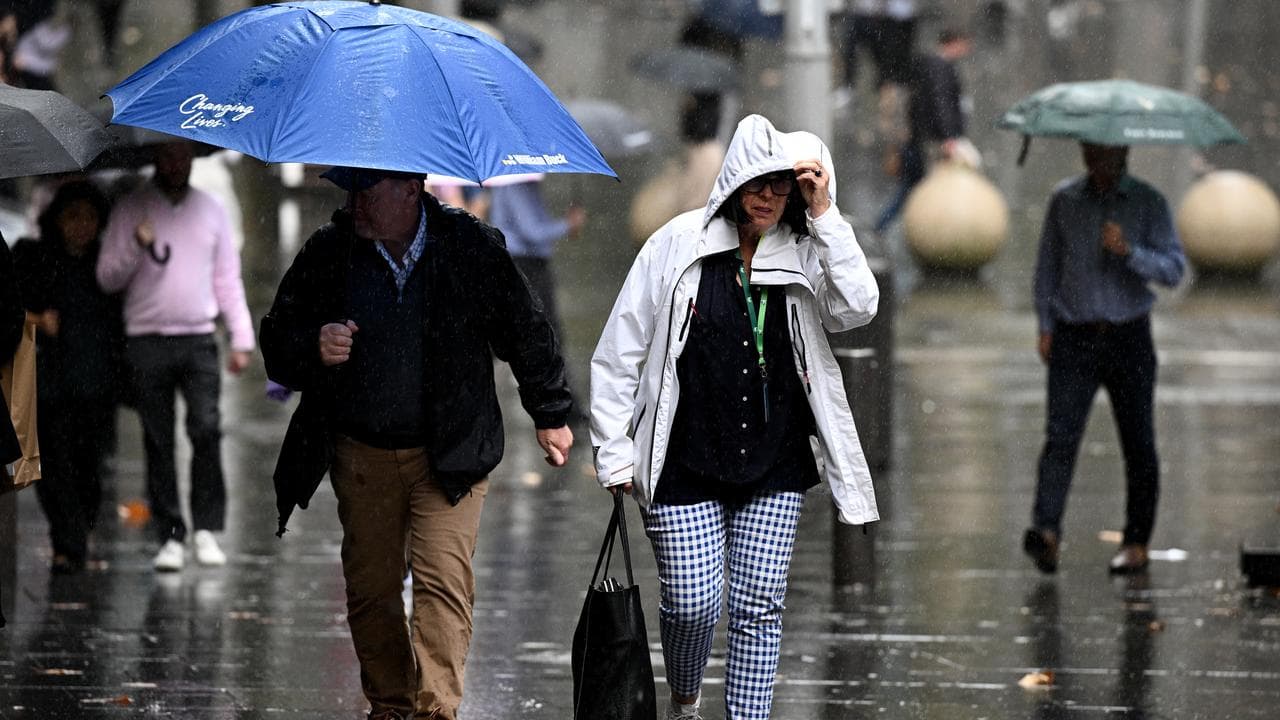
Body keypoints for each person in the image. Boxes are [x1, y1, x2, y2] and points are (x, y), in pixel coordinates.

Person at [590, 114, 880, 720]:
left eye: (783, 186)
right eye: (759, 184)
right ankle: (686, 699)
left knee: (759, 606)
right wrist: (613, 447)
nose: (770, 197)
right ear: (732, 185)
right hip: (683, 456)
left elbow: (857, 308)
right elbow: (622, 348)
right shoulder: (678, 244)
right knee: (692, 603)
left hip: (774, 460)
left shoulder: (803, 249)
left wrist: (825, 212)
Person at [259, 166, 574, 720]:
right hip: (363, 454)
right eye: (350, 191)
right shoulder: (331, 252)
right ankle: (391, 704)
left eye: (368, 190)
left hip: (452, 454)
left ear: (410, 188)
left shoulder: (469, 246)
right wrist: (314, 343)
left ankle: (435, 712)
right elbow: (279, 338)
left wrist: (550, 412)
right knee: (372, 590)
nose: (356, 203)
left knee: (442, 586)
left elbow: (525, 327)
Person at [1022, 142, 1186, 575]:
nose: (1095, 160)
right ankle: (1047, 531)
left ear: (1123, 152)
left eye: (1105, 152)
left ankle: (1136, 541)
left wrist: (1129, 252)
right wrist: (1044, 325)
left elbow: (1173, 269)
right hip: (1074, 336)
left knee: (1139, 443)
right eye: (1089, 151)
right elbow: (1047, 268)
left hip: (1129, 336)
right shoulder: (1065, 199)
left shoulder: (1148, 202)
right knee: (1060, 438)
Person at [96, 141, 254, 572]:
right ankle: (170, 533)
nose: (175, 165)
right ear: (155, 161)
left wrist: (241, 337)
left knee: (206, 430)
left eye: (182, 157)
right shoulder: (132, 207)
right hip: (146, 340)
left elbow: (226, 278)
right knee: (158, 439)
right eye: (167, 157)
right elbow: (107, 277)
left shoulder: (211, 209)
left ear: (193, 159)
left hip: (199, 338)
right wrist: (134, 244)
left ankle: (205, 528)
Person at [12, 181, 123, 574]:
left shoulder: (107, 265)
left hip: (96, 386)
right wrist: (38, 319)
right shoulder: (32, 258)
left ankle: (77, 535)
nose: (81, 225)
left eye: (90, 217)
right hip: (51, 383)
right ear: (56, 218)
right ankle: (67, 543)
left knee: (89, 467)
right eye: (72, 216)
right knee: (54, 465)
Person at [873, 27, 974, 235]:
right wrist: (948, 136)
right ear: (953, 43)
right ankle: (880, 230)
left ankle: (881, 229)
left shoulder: (930, 65)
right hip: (926, 142)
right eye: (963, 45)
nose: (965, 51)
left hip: (919, 139)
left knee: (912, 188)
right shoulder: (939, 67)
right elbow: (940, 103)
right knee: (915, 189)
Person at [486, 174, 585, 358]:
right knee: (545, 328)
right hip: (526, 263)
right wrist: (568, 225)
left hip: (520, 261)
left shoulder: (513, 180)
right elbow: (532, 231)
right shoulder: (516, 182)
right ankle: (556, 379)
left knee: (518, 326)